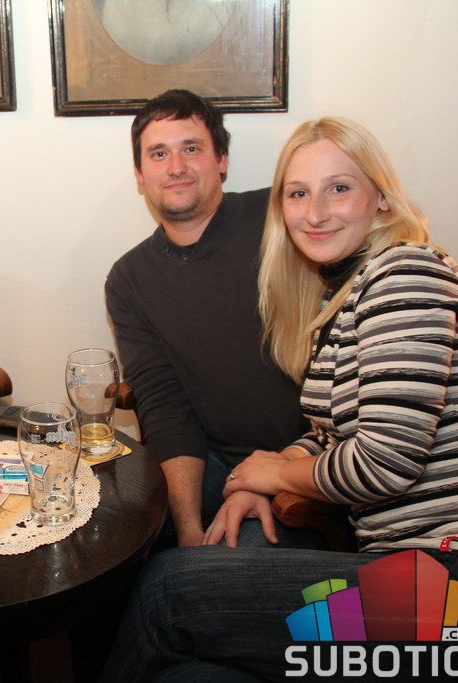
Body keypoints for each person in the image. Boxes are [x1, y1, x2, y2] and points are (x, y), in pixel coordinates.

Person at [101, 117, 458, 680]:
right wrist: (261, 474)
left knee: (169, 588)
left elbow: (386, 462)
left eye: (338, 188)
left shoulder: (405, 275)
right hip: (400, 568)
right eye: (298, 194)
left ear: (382, 197)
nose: (315, 212)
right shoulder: (344, 298)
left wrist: (277, 475)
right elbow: (330, 433)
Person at [105, 89, 310, 548]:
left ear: (222, 160)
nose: (176, 167)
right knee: (110, 523)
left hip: (311, 467)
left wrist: (275, 475)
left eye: (191, 148)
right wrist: (187, 528)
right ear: (140, 174)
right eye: (159, 153)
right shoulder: (129, 279)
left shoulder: (284, 218)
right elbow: (165, 406)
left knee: (205, 577)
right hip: (215, 462)